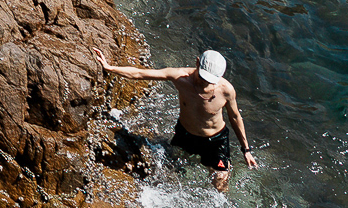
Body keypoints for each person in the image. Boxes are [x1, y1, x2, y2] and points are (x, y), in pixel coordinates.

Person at [98, 47, 256, 189]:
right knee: (170, 168)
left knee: (220, 180)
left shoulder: (226, 90)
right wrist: (110, 68)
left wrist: (246, 150)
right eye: (203, 77)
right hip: (185, 133)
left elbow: (235, 117)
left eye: (211, 80)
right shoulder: (180, 77)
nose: (206, 83)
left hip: (215, 140)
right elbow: (140, 73)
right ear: (197, 63)